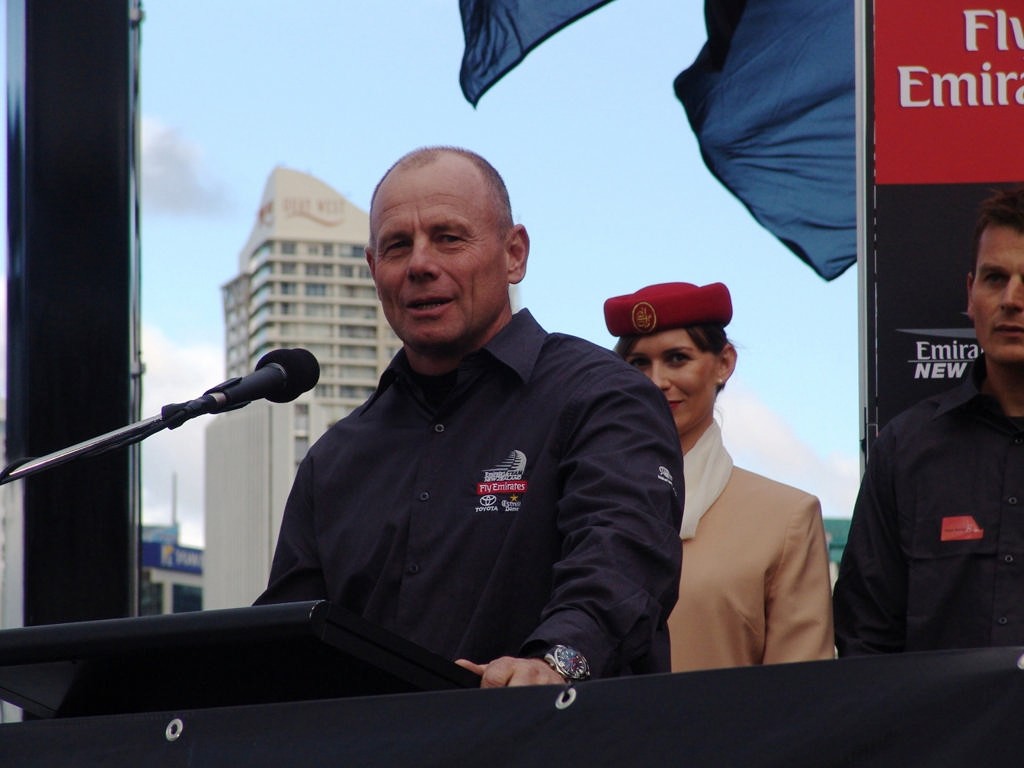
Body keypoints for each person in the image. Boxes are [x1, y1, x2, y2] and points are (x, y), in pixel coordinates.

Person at [256, 146, 685, 688]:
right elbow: (285, 644)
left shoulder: (603, 397)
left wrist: (556, 664)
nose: (419, 264)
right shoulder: (335, 458)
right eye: (396, 246)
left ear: (514, 254)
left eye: (448, 238)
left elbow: (623, 562)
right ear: (373, 269)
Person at [604, 281, 835, 671]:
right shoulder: (580, 500)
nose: (656, 380)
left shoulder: (785, 517)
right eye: (638, 363)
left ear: (724, 363)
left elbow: (800, 696)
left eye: (677, 358)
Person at [834, 187, 1024, 655]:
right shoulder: (906, 447)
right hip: (947, 731)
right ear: (970, 294)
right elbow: (865, 638)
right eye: (995, 278)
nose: (1012, 299)